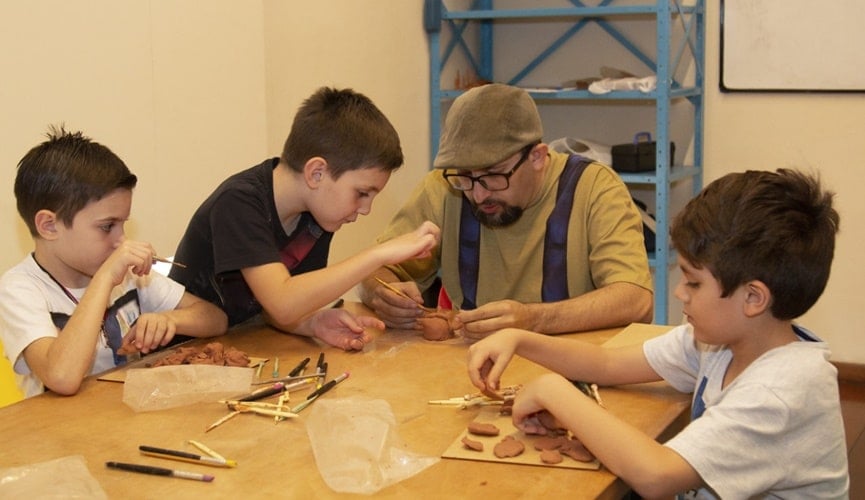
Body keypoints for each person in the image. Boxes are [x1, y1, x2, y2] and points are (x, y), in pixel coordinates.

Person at [466, 168, 847, 498]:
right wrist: (520, 338)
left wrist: (553, 391)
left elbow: (657, 476)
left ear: (753, 298)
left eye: (693, 282)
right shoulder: (724, 343)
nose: (680, 293)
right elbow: (607, 364)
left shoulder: (779, 393)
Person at [359, 83, 652, 338]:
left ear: (537, 157)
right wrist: (385, 294)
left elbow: (636, 300)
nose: (478, 194)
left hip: (571, 368)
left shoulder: (594, 188)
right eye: (465, 176)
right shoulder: (444, 186)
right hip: (470, 363)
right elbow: (374, 269)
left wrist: (534, 320)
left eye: (493, 174)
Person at [169, 87, 439, 351]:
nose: (366, 209)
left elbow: (278, 308)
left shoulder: (317, 217)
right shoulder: (238, 202)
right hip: (177, 351)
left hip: (238, 343)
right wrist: (378, 255)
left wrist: (311, 323)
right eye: (361, 193)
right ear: (317, 173)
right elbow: (282, 302)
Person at [0, 127, 228, 398]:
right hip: (58, 423)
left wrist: (170, 319)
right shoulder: (19, 289)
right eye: (107, 226)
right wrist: (105, 278)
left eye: (123, 224)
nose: (122, 240)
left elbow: (216, 319)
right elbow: (61, 377)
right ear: (49, 226)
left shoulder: (128, 275)